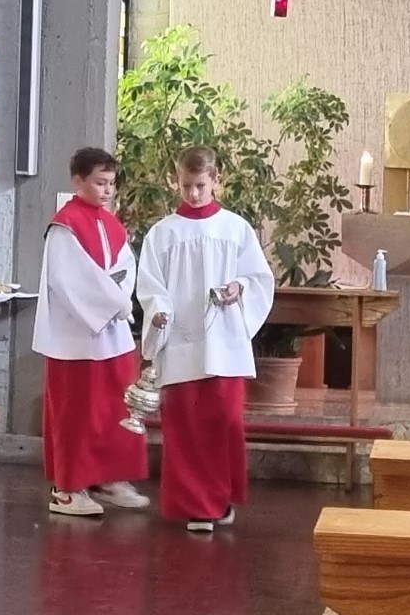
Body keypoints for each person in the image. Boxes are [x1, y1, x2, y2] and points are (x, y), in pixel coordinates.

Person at [136, 145, 275, 533]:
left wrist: (239, 286)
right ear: (175, 182)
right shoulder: (163, 234)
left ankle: (219, 499)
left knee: (223, 422)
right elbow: (150, 285)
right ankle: (196, 507)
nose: (193, 193)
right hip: (180, 343)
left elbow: (259, 278)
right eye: (186, 186)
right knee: (185, 427)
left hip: (223, 342)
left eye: (200, 185)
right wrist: (158, 310)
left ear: (216, 180)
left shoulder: (235, 229)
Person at [32, 147, 150, 517]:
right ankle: (68, 489)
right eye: (100, 183)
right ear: (77, 181)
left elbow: (126, 267)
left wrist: (118, 298)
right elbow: (68, 280)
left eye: (111, 183)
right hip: (75, 337)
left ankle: (108, 477)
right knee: (77, 413)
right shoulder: (65, 226)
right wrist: (113, 301)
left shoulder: (112, 225)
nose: (107, 190)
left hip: (112, 334)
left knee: (115, 406)